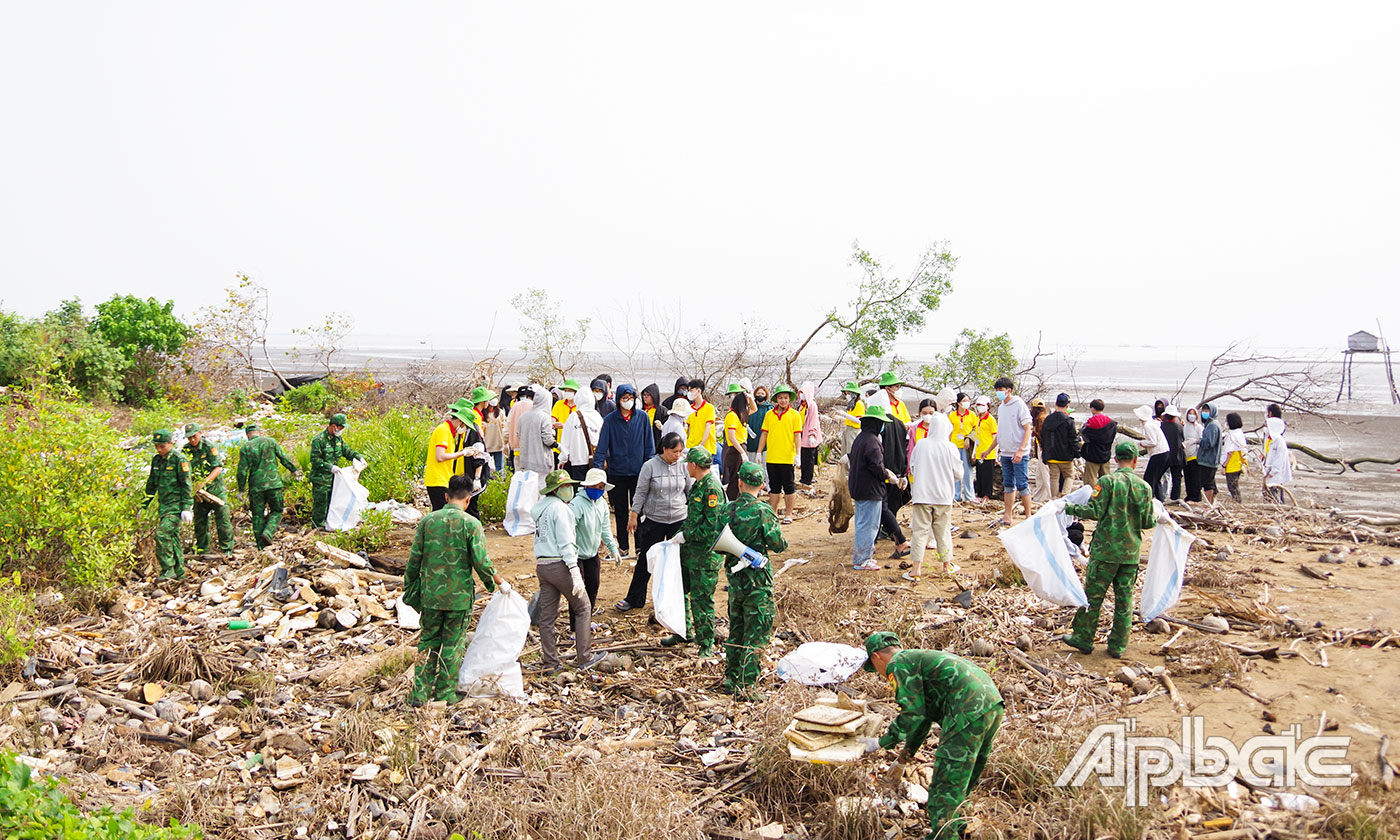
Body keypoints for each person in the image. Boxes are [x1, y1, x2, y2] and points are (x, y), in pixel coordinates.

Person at [858, 632, 1003, 840]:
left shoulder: (897, 665)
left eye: (875, 669)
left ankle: (945, 836)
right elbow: (922, 718)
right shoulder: (916, 660)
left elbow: (912, 713)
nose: (880, 674)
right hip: (991, 703)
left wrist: (882, 741)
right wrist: (903, 759)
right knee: (964, 775)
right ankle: (959, 824)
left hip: (967, 709)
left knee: (945, 783)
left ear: (876, 657)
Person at [402, 474, 504, 706]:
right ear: (468, 500)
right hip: (458, 598)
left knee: (428, 642)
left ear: (446, 496)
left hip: (430, 596)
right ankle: (445, 693)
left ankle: (419, 693)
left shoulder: (428, 521)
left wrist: (410, 590)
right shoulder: (471, 524)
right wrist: (495, 583)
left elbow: (414, 560)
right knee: (452, 644)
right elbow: (481, 560)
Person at [1060, 440, 1159, 659]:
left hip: (1105, 551)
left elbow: (1093, 511)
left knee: (1093, 597)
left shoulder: (1106, 483)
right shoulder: (1144, 487)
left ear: (1115, 460)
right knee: (1124, 601)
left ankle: (1084, 638)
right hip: (1130, 553)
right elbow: (1148, 522)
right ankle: (1117, 646)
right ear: (1135, 461)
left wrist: (1067, 506)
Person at [723, 461, 786, 700]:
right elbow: (778, 544)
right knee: (756, 630)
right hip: (758, 582)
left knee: (737, 629)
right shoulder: (763, 512)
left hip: (736, 580)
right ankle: (748, 685)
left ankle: (731, 677)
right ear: (761, 485)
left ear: (739, 482)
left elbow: (719, 546)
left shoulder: (727, 510)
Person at [531, 469, 603, 672]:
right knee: (583, 607)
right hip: (559, 564)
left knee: (547, 618)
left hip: (543, 565)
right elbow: (566, 543)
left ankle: (551, 662)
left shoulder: (540, 509)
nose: (570, 489)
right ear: (558, 489)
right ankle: (585, 657)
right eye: (566, 486)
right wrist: (574, 571)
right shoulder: (560, 510)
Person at [661, 447, 727, 656]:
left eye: (688, 464)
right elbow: (692, 519)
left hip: (705, 556)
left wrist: (687, 536)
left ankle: (706, 643)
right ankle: (683, 631)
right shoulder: (698, 485)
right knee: (681, 593)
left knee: (702, 600)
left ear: (693, 465)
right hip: (690, 553)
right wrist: (679, 535)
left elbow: (711, 527)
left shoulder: (712, 489)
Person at [616, 432, 688, 612]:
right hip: (655, 520)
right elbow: (640, 492)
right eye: (674, 451)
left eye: (680, 451)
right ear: (664, 449)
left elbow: (689, 491)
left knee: (675, 561)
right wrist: (634, 515)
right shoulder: (650, 466)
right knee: (646, 560)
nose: (678, 455)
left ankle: (672, 601)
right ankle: (634, 598)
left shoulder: (683, 467)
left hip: (678, 520)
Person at [593, 384, 655, 559]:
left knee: (640, 510)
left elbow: (649, 446)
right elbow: (602, 447)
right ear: (618, 399)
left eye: (630, 398)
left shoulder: (642, 418)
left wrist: (649, 469)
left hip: (639, 473)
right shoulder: (610, 420)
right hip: (617, 472)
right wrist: (597, 471)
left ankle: (640, 547)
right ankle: (623, 547)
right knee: (620, 512)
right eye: (624, 398)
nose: (628, 401)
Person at [907, 411, 961, 581]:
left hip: (922, 495)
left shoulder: (922, 444)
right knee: (943, 531)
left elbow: (913, 466)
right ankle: (946, 565)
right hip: (943, 496)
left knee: (919, 531)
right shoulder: (950, 447)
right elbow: (959, 473)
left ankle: (916, 568)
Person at [569, 468, 619, 617]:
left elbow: (605, 529)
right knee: (577, 591)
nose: (597, 490)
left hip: (592, 554)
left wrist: (613, 549)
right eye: (594, 486)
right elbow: (569, 530)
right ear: (586, 486)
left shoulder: (602, 504)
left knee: (593, 587)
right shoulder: (577, 504)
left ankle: (587, 619)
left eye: (601, 487)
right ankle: (575, 625)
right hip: (577, 555)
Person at [848, 405, 893, 571]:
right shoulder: (872, 442)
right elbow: (876, 466)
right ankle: (862, 559)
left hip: (859, 487)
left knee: (862, 523)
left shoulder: (861, 438)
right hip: (870, 489)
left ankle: (862, 556)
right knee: (869, 525)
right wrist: (888, 476)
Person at [145, 429, 193, 579]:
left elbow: (186, 485)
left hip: (176, 506)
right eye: (157, 446)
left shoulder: (180, 460)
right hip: (164, 506)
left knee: (162, 534)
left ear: (171, 444)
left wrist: (186, 508)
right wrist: (144, 504)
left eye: (163, 446)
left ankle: (167, 569)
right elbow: (151, 484)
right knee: (173, 538)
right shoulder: (157, 460)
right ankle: (180, 572)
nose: (159, 450)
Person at [182, 423, 233, 556]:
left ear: (199, 433)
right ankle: (202, 550)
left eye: (194, 436)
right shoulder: (185, 450)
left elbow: (218, 468)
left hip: (215, 489)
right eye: (189, 438)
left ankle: (227, 549)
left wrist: (204, 482)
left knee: (223, 519)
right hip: (199, 493)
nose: (192, 440)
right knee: (200, 522)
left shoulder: (209, 447)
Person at [758, 384, 802, 524]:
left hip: (787, 457)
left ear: (789, 399)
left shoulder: (795, 415)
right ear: (776, 399)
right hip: (772, 456)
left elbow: (797, 436)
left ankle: (788, 514)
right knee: (774, 487)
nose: (783, 400)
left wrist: (798, 454)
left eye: (786, 398)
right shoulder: (769, 414)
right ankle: (774, 513)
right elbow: (764, 434)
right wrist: (759, 452)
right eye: (781, 398)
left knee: (789, 486)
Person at [309, 412, 362, 528]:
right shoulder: (319, 440)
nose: (342, 430)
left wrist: (359, 457)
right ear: (334, 426)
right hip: (321, 479)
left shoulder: (338, 439)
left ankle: (329, 525)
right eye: (341, 427)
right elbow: (315, 460)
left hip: (334, 479)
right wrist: (330, 467)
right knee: (321, 504)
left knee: (333, 504)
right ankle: (317, 528)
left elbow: (347, 451)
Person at [993, 377, 1033, 526]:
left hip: (1019, 452)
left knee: (1022, 484)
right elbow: (1000, 432)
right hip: (1005, 451)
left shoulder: (1019, 405)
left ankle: (1028, 516)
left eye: (1001, 390)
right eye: (997, 390)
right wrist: (990, 449)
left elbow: (1028, 428)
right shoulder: (1002, 407)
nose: (998, 393)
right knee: (1008, 483)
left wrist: (1021, 449)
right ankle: (1007, 515)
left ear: (1009, 390)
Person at [425, 406, 475, 512]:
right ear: (460, 421)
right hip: (437, 480)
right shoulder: (443, 430)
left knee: (444, 514)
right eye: (465, 425)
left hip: (444, 479)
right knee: (440, 514)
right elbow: (440, 456)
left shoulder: (450, 433)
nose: (465, 428)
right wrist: (462, 453)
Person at [448, 400, 491, 519]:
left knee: (471, 507)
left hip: (472, 477)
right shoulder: (463, 432)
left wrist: (477, 478)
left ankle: (474, 532)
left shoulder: (473, 432)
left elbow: (479, 456)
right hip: (463, 475)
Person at [1039, 393, 1079, 498]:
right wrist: (1077, 453)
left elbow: (1043, 436)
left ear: (1056, 403)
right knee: (1069, 476)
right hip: (1065, 455)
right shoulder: (1068, 421)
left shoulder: (1047, 420)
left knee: (1053, 478)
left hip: (1051, 454)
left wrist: (1045, 452)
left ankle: (1054, 498)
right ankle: (1065, 495)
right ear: (1067, 406)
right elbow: (1072, 439)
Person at [560, 392, 603, 483]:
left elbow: (565, 441)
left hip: (577, 461)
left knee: (579, 490)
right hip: (594, 462)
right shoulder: (597, 417)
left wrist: (562, 459)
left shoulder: (573, 417)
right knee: (593, 488)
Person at [517, 388, 560, 475]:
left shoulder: (523, 416)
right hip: (541, 462)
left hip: (526, 461)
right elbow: (548, 440)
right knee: (542, 486)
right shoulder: (544, 417)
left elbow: (518, 435)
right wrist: (559, 446)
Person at [1134, 404, 1170, 502]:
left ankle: (1149, 499)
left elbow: (1153, 442)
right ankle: (1159, 500)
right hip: (1165, 453)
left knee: (1149, 477)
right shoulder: (1154, 423)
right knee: (1156, 478)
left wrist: (1141, 443)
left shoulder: (1148, 425)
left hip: (1159, 454)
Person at [1079, 400, 1118, 488]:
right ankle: (1106, 497)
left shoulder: (1090, 422)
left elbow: (1085, 437)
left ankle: (1092, 497)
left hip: (1092, 454)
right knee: (1106, 479)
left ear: (1093, 409)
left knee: (1090, 480)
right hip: (1105, 453)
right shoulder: (1111, 423)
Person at [722, 389, 751, 500]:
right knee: (734, 478)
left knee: (739, 478)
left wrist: (750, 398)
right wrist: (742, 452)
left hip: (741, 446)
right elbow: (732, 437)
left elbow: (754, 409)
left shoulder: (741, 415)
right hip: (735, 449)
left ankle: (736, 498)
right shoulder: (732, 416)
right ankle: (731, 500)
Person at [949, 392, 977, 503]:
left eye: (968, 401)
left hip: (967, 446)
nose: (966, 403)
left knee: (968, 470)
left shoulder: (972, 415)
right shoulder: (952, 415)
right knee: (955, 470)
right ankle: (956, 495)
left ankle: (970, 495)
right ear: (958, 403)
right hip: (955, 444)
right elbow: (950, 431)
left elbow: (975, 429)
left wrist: (968, 438)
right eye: (964, 401)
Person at [1262, 404, 1293, 503]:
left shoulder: (1279, 440)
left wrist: (1273, 471)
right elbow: (1268, 453)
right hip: (1269, 471)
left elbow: (1279, 458)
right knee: (1268, 493)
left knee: (1274, 494)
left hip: (1275, 473)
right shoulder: (1271, 439)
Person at [970, 396, 999, 502]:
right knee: (979, 474)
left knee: (988, 475)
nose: (980, 407)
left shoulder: (990, 419)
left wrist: (995, 454)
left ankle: (987, 494)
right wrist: (973, 453)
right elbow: (976, 436)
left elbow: (996, 437)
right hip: (978, 451)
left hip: (988, 452)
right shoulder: (977, 419)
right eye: (978, 405)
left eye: (982, 405)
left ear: (987, 406)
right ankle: (980, 493)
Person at [797, 382, 823, 487]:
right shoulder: (802, 406)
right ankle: (804, 478)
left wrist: (812, 434)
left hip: (809, 436)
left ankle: (807, 479)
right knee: (804, 458)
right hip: (803, 435)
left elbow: (813, 421)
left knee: (809, 459)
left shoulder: (812, 405)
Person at [1195, 403, 1221, 505]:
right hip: (1209, 459)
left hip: (1208, 459)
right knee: (1210, 482)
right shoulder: (1211, 424)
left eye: (1207, 411)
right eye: (1204, 410)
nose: (1205, 413)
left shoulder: (1212, 425)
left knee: (1207, 483)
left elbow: (1209, 443)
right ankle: (1211, 503)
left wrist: (1198, 441)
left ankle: (1208, 503)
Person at [683, 378, 717, 456]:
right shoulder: (689, 409)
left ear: (699, 391)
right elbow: (685, 428)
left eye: (691, 390)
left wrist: (702, 444)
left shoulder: (709, 408)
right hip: (691, 447)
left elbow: (708, 426)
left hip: (706, 448)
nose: (689, 393)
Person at [1220, 412, 1248, 503]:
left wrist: (1224, 465)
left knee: (1232, 487)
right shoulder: (1240, 433)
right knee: (1235, 486)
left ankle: (1238, 504)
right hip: (1238, 463)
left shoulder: (1231, 436)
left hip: (1232, 464)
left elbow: (1229, 452)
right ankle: (1237, 503)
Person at [1160, 405, 1186, 501]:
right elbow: (1182, 439)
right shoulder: (1178, 427)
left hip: (1165, 454)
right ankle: (1175, 498)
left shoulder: (1161, 426)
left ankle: (1160, 496)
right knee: (1177, 479)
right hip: (1177, 456)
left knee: (1159, 476)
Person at [506, 384, 533, 470]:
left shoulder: (514, 406)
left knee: (519, 474)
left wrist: (505, 443)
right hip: (532, 448)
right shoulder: (534, 406)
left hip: (517, 448)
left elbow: (507, 426)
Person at [746, 385, 772, 469]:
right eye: (758, 393)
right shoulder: (750, 408)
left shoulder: (769, 409)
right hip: (752, 441)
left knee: (766, 467)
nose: (760, 395)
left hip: (766, 443)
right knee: (752, 467)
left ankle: (767, 482)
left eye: (762, 393)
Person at [1182, 407, 1204, 502]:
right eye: (1190, 413)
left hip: (1195, 455)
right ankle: (1189, 495)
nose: (1191, 416)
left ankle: (1196, 496)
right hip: (1186, 454)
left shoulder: (1199, 427)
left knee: (1195, 477)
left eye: (1193, 414)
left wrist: (1195, 442)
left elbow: (1202, 440)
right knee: (1188, 477)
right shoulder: (1184, 427)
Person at [837, 381, 865, 455]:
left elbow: (859, 420)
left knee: (851, 453)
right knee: (844, 453)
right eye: (846, 393)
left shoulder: (859, 404)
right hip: (847, 429)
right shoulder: (851, 404)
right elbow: (851, 419)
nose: (847, 395)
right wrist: (841, 418)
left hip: (854, 431)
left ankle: (851, 467)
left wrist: (845, 415)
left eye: (848, 393)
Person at [640, 383, 669, 452]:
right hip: (642, 442)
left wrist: (661, 428)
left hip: (656, 443)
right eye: (644, 395)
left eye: (648, 395)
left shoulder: (662, 411)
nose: (645, 397)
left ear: (654, 396)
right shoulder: (641, 411)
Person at [551, 379, 581, 444]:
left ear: (575, 392)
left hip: (576, 443)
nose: (567, 392)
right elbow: (553, 419)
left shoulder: (580, 406)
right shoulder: (559, 404)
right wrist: (553, 425)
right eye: (566, 391)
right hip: (561, 443)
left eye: (570, 391)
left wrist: (564, 426)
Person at [482, 397, 506, 473]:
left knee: (499, 468)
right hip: (487, 444)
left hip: (498, 443)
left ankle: (499, 483)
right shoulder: (483, 414)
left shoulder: (500, 413)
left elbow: (504, 426)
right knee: (486, 467)